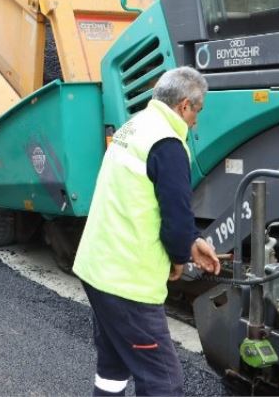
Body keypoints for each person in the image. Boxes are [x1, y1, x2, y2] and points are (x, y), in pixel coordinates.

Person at [72, 67, 221, 397]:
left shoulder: (135, 126)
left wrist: (190, 241)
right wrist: (182, 254)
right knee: (163, 381)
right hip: (128, 281)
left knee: (113, 367)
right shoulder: (168, 143)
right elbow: (176, 214)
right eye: (199, 110)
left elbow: (141, 197)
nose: (197, 120)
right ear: (184, 106)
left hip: (98, 268)